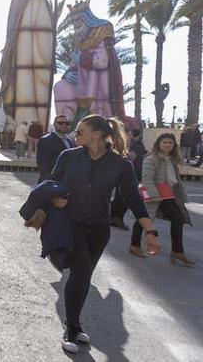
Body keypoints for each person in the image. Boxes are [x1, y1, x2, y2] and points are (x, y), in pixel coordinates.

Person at [47, 115, 161, 353]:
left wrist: (150, 230)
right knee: (81, 273)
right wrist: (54, 199)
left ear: (97, 134)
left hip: (99, 229)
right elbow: (51, 183)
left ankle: (75, 326)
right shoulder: (68, 156)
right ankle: (72, 326)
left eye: (80, 132)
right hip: (72, 223)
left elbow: (133, 198)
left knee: (84, 276)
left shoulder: (120, 164)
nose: (75, 135)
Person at [128, 133, 194, 265]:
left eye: (170, 142)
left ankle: (177, 251)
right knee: (143, 219)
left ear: (174, 145)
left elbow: (176, 180)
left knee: (178, 219)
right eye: (164, 142)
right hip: (156, 195)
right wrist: (154, 194)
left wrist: (181, 195)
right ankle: (134, 245)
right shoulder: (151, 159)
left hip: (169, 194)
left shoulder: (173, 159)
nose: (167, 145)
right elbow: (147, 178)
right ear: (158, 144)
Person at [110, 128, 145, 229]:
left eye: (130, 135)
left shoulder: (135, 145)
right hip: (124, 174)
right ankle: (116, 218)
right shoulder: (121, 145)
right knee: (125, 197)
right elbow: (128, 157)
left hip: (133, 173)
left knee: (121, 197)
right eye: (128, 135)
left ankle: (114, 218)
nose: (130, 137)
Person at [36, 115, 74, 183]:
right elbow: (42, 163)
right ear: (54, 124)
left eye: (67, 123)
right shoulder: (46, 140)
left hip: (67, 181)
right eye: (60, 123)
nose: (64, 125)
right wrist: (48, 181)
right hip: (52, 181)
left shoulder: (69, 141)